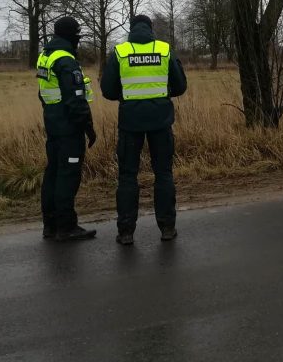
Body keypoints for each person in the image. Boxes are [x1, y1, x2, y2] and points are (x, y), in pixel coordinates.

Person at [101, 15, 188, 245]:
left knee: (127, 176)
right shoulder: (164, 50)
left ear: (131, 30)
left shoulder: (120, 52)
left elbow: (108, 91)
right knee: (164, 174)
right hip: (160, 121)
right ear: (151, 29)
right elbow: (180, 86)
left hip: (130, 122)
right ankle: (167, 228)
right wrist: (162, 92)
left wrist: (126, 95)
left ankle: (126, 231)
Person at [37, 16, 98, 242]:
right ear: (71, 36)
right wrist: (88, 127)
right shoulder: (66, 60)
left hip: (52, 122)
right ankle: (66, 226)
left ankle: (50, 225)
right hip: (68, 126)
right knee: (67, 175)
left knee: (52, 172)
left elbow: (43, 93)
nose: (78, 41)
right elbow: (76, 99)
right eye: (77, 37)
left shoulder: (45, 56)